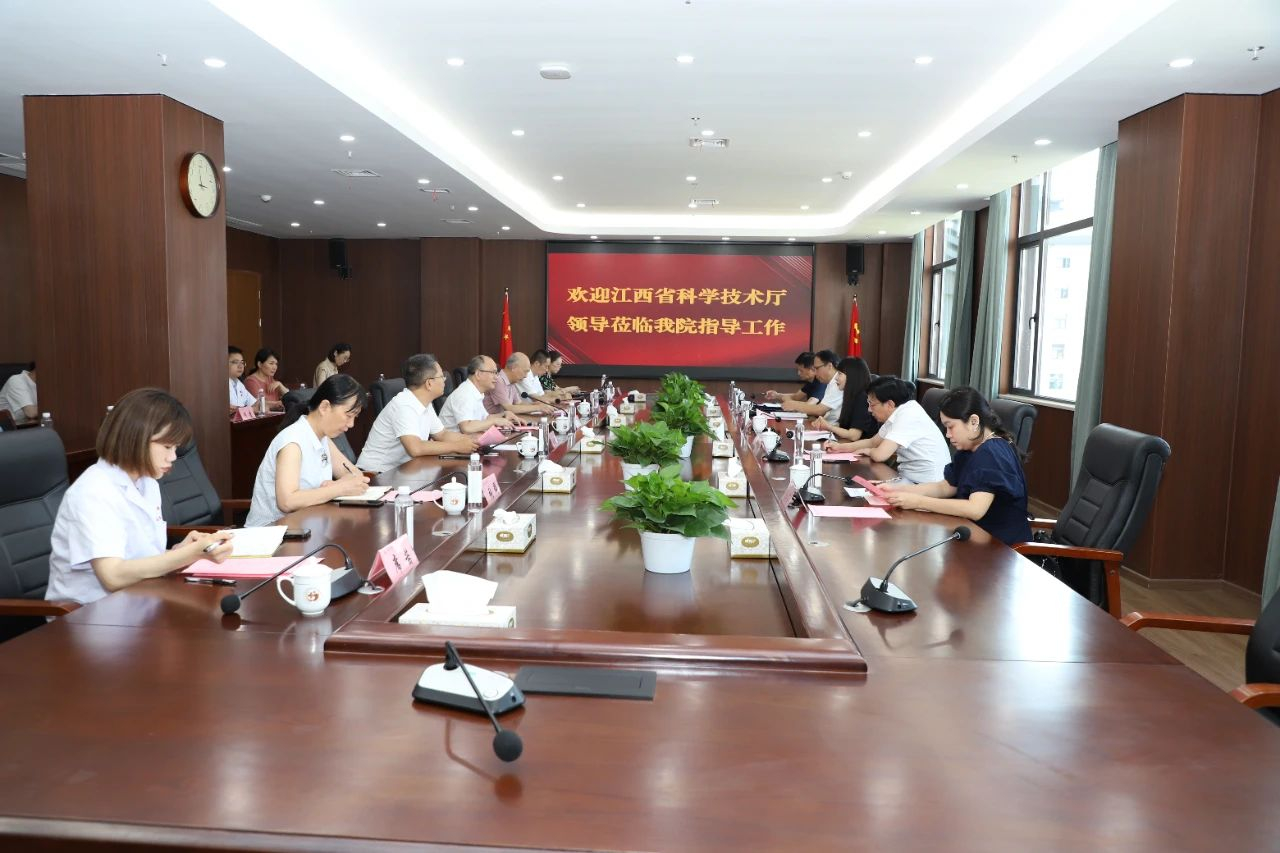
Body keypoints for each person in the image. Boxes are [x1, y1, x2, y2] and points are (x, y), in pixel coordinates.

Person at [45, 388, 234, 606]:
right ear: (136, 438)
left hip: (141, 600)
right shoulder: (93, 491)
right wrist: (190, 554)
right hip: (89, 614)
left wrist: (178, 551)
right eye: (167, 446)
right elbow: (113, 576)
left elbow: (139, 557)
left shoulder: (147, 483)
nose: (173, 457)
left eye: (175, 447)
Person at [881, 387, 1032, 545]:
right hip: (973, 533)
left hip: (999, 546)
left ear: (974, 421)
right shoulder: (970, 449)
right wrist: (899, 490)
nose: (948, 434)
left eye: (951, 426)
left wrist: (918, 502)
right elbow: (945, 487)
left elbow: (975, 509)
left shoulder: (991, 453)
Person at [245, 374, 370, 526]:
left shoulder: (323, 438)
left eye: (355, 417)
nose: (351, 424)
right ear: (324, 407)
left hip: (307, 526)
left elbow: (355, 475)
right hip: (271, 533)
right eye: (349, 415)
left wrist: (339, 485)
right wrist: (337, 488)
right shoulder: (292, 442)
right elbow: (287, 501)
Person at [356, 354, 479, 472]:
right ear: (429, 383)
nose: (444, 381)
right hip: (375, 474)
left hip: (403, 470)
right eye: (442, 377)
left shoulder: (425, 402)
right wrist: (457, 446)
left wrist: (474, 441)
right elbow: (415, 448)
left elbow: (442, 434)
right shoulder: (404, 405)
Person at [832, 375, 952, 483]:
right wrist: (840, 447)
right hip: (909, 479)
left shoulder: (908, 415)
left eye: (872, 404)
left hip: (927, 484)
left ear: (890, 404)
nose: (869, 410)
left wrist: (869, 451)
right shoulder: (899, 412)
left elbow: (880, 455)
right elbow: (873, 442)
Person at [437, 355, 518, 434]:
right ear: (478, 374)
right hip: (454, 441)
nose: (496, 377)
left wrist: (504, 415)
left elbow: (484, 419)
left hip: (469, 439)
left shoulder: (476, 392)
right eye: (493, 372)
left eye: (496, 373)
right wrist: (494, 421)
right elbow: (466, 427)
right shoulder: (464, 393)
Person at [814, 357, 878, 442]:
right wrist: (825, 426)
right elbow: (845, 427)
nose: (836, 378)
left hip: (861, 447)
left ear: (852, 376)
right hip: (848, 444)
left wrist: (829, 426)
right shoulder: (850, 396)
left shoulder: (862, 397)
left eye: (839, 374)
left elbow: (854, 435)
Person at [485, 352, 558, 420]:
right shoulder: (498, 381)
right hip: (489, 424)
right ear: (514, 368)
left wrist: (534, 404)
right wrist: (538, 407)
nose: (526, 376)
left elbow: (518, 404)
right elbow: (510, 408)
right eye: (525, 371)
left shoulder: (512, 382)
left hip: (503, 422)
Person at [780, 349, 842, 418]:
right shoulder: (829, 383)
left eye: (817, 368)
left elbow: (820, 410)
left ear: (829, 366)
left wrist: (794, 405)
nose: (815, 373)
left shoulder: (837, 383)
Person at [243, 348, 289, 412]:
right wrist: (278, 403)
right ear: (260, 364)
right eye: (271, 363)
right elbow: (258, 404)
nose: (275, 367)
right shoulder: (250, 381)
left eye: (276, 364)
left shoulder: (271, 379)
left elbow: (291, 397)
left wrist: (280, 385)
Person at [227, 347, 255, 413]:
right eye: (235, 362)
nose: (240, 366)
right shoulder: (217, 384)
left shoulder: (239, 384)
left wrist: (274, 404)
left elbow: (254, 403)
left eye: (242, 362)